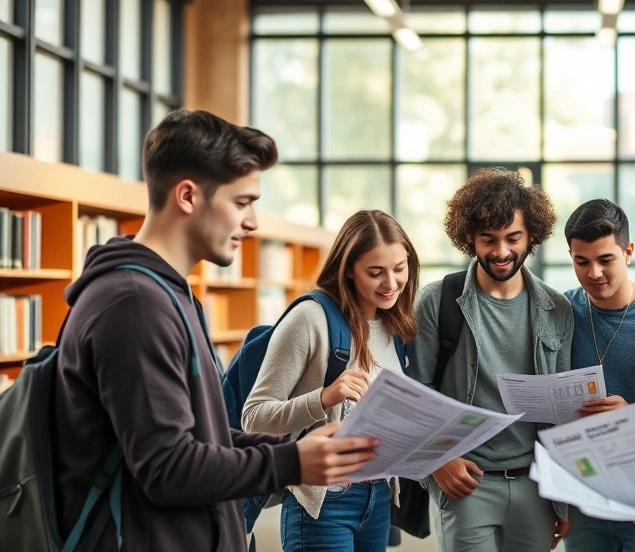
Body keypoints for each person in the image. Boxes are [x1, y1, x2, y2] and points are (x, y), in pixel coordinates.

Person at [51, 110, 379, 551]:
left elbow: (196, 434)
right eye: (242, 202)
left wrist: (287, 446)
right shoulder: (135, 306)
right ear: (188, 195)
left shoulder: (170, 296)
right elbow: (167, 468)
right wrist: (290, 462)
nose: (253, 222)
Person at [408, 167, 573, 552]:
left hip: (536, 484)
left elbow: (562, 409)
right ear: (470, 238)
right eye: (489, 239)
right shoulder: (437, 301)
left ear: (532, 235)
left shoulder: (558, 309)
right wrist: (439, 460)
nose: (501, 251)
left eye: (513, 237)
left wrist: (563, 495)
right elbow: (415, 392)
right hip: (467, 481)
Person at [241, 210, 419, 552]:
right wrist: (323, 398)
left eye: (399, 268)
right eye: (375, 273)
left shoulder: (395, 324)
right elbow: (254, 417)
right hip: (323, 503)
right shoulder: (310, 318)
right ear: (349, 269)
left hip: (378, 495)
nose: (391, 283)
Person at [561, 199, 635, 552]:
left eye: (606, 260)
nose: (594, 274)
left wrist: (633, 415)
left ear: (628, 252)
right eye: (581, 262)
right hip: (585, 497)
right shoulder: (561, 312)